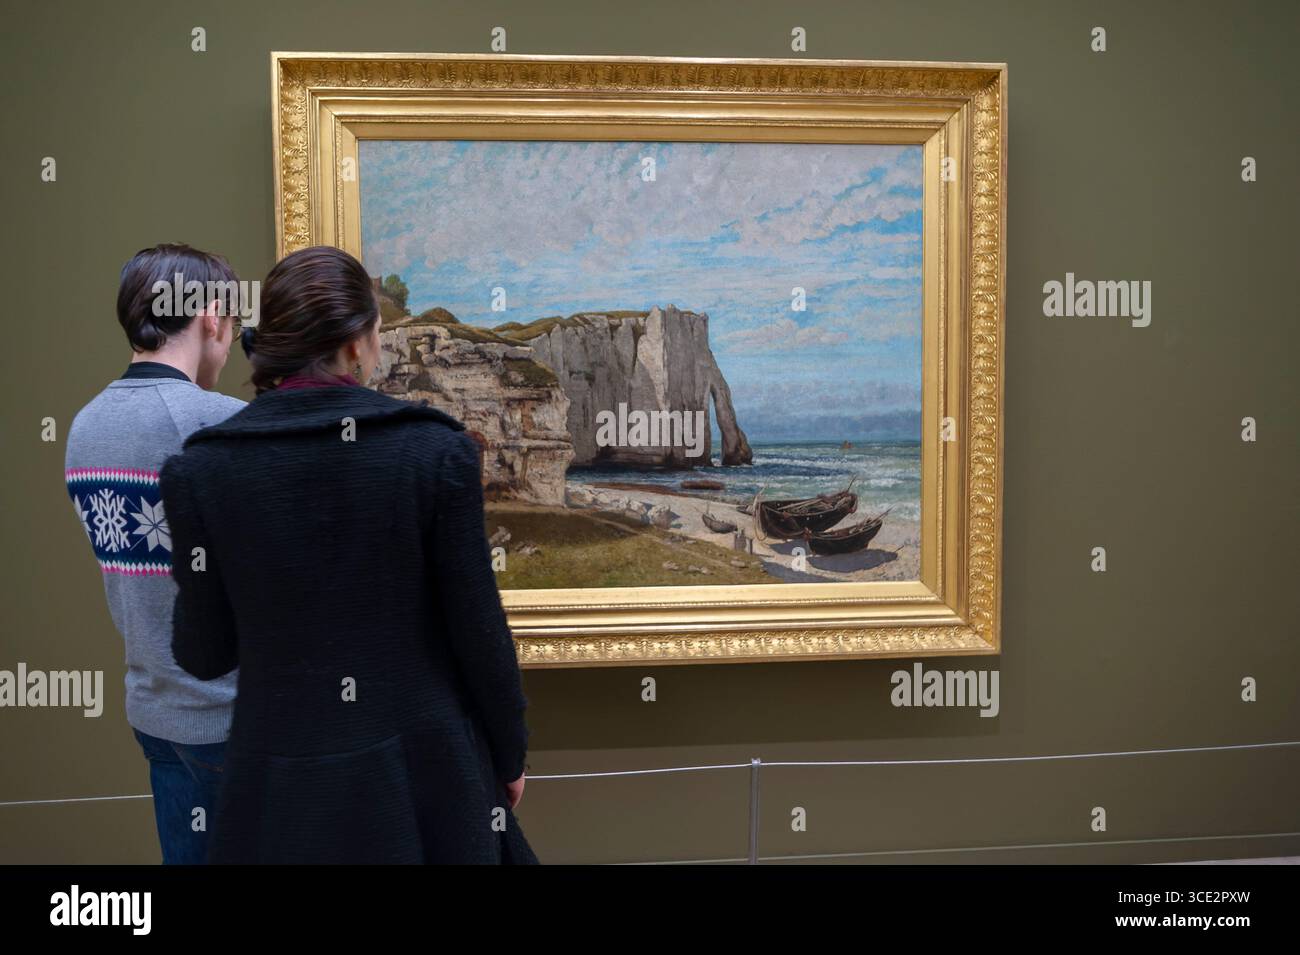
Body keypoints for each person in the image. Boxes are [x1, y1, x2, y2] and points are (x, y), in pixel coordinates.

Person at [160, 245, 536, 863]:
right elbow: (480, 634)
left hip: (279, 787)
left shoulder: (199, 471)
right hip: (429, 778)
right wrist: (509, 755)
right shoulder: (435, 453)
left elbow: (203, 654)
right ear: (359, 344)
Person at [64, 243, 246, 864]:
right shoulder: (218, 423)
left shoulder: (85, 426)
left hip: (153, 714)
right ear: (213, 316)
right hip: (231, 717)